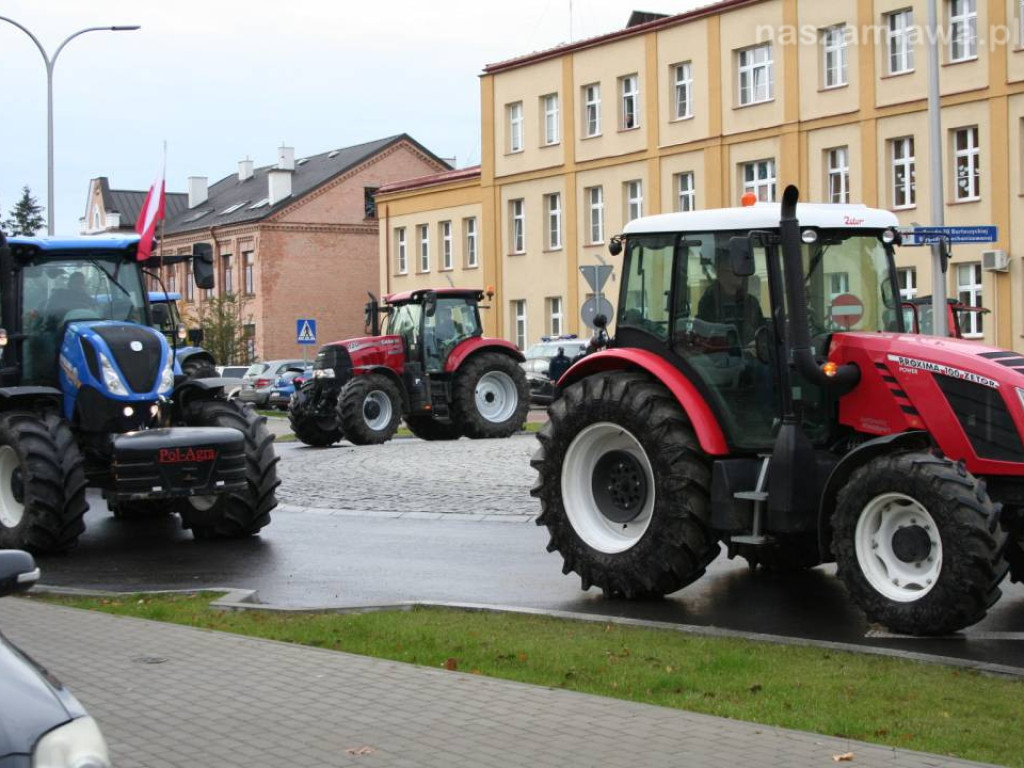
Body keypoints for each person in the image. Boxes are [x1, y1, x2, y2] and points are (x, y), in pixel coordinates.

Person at [696, 250, 765, 347]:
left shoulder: (751, 302)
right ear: (720, 272)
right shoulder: (709, 302)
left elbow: (762, 332)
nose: (739, 273)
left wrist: (757, 344)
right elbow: (705, 338)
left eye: (740, 268)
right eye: (734, 268)